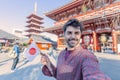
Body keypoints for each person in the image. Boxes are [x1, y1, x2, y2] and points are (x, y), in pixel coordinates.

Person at [41, 18, 111, 80]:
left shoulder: (87, 56)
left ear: (80, 35)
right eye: (69, 33)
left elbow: (93, 73)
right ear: (64, 34)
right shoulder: (61, 54)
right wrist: (49, 64)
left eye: (76, 33)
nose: (73, 36)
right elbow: (59, 75)